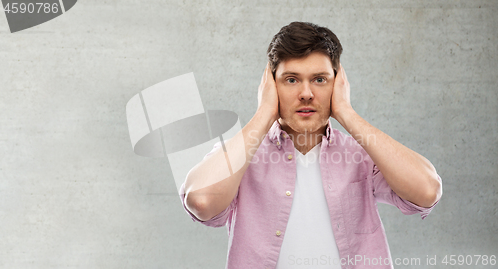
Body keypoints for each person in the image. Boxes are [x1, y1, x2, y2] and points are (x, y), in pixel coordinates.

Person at [179, 21, 442, 269]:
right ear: (271, 85)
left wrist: (346, 113)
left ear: (338, 84)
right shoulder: (240, 156)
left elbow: (427, 190)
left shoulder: (360, 155)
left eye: (319, 79)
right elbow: (201, 201)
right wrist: (264, 113)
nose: (306, 93)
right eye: (291, 80)